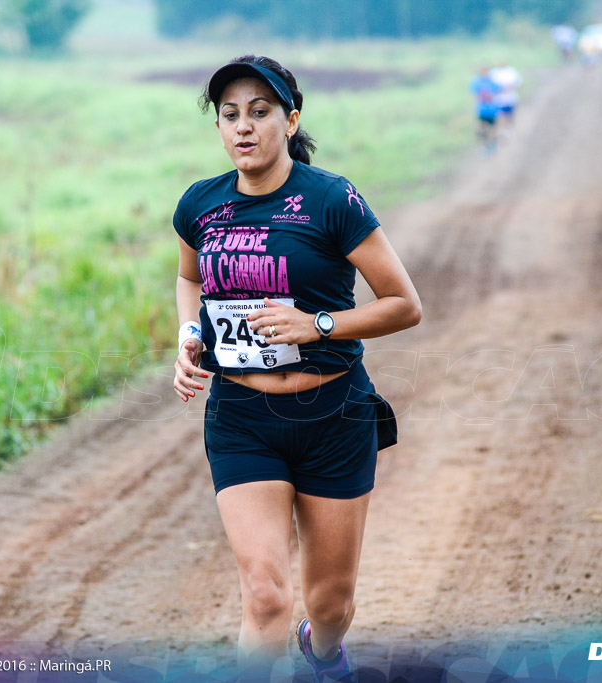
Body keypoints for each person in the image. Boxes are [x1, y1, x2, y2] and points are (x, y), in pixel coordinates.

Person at [172, 55, 422, 680]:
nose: (243, 128)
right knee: (265, 597)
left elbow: (404, 304)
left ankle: (326, 650)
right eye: (230, 116)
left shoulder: (330, 199)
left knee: (330, 605)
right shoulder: (199, 206)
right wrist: (189, 335)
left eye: (260, 112)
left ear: (291, 118)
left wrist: (320, 324)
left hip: (333, 414)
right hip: (242, 415)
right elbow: (188, 279)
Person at [470, 66, 500, 155]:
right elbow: (475, 96)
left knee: (492, 128)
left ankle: (493, 144)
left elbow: (496, 93)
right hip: (482, 110)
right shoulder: (476, 82)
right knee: (482, 128)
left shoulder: (492, 81)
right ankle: (484, 145)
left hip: (492, 109)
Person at [489, 62, 523, 136]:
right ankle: (503, 131)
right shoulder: (494, 73)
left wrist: (511, 88)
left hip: (510, 98)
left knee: (510, 116)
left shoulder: (512, 72)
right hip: (499, 99)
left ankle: (510, 129)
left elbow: (518, 83)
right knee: (501, 116)